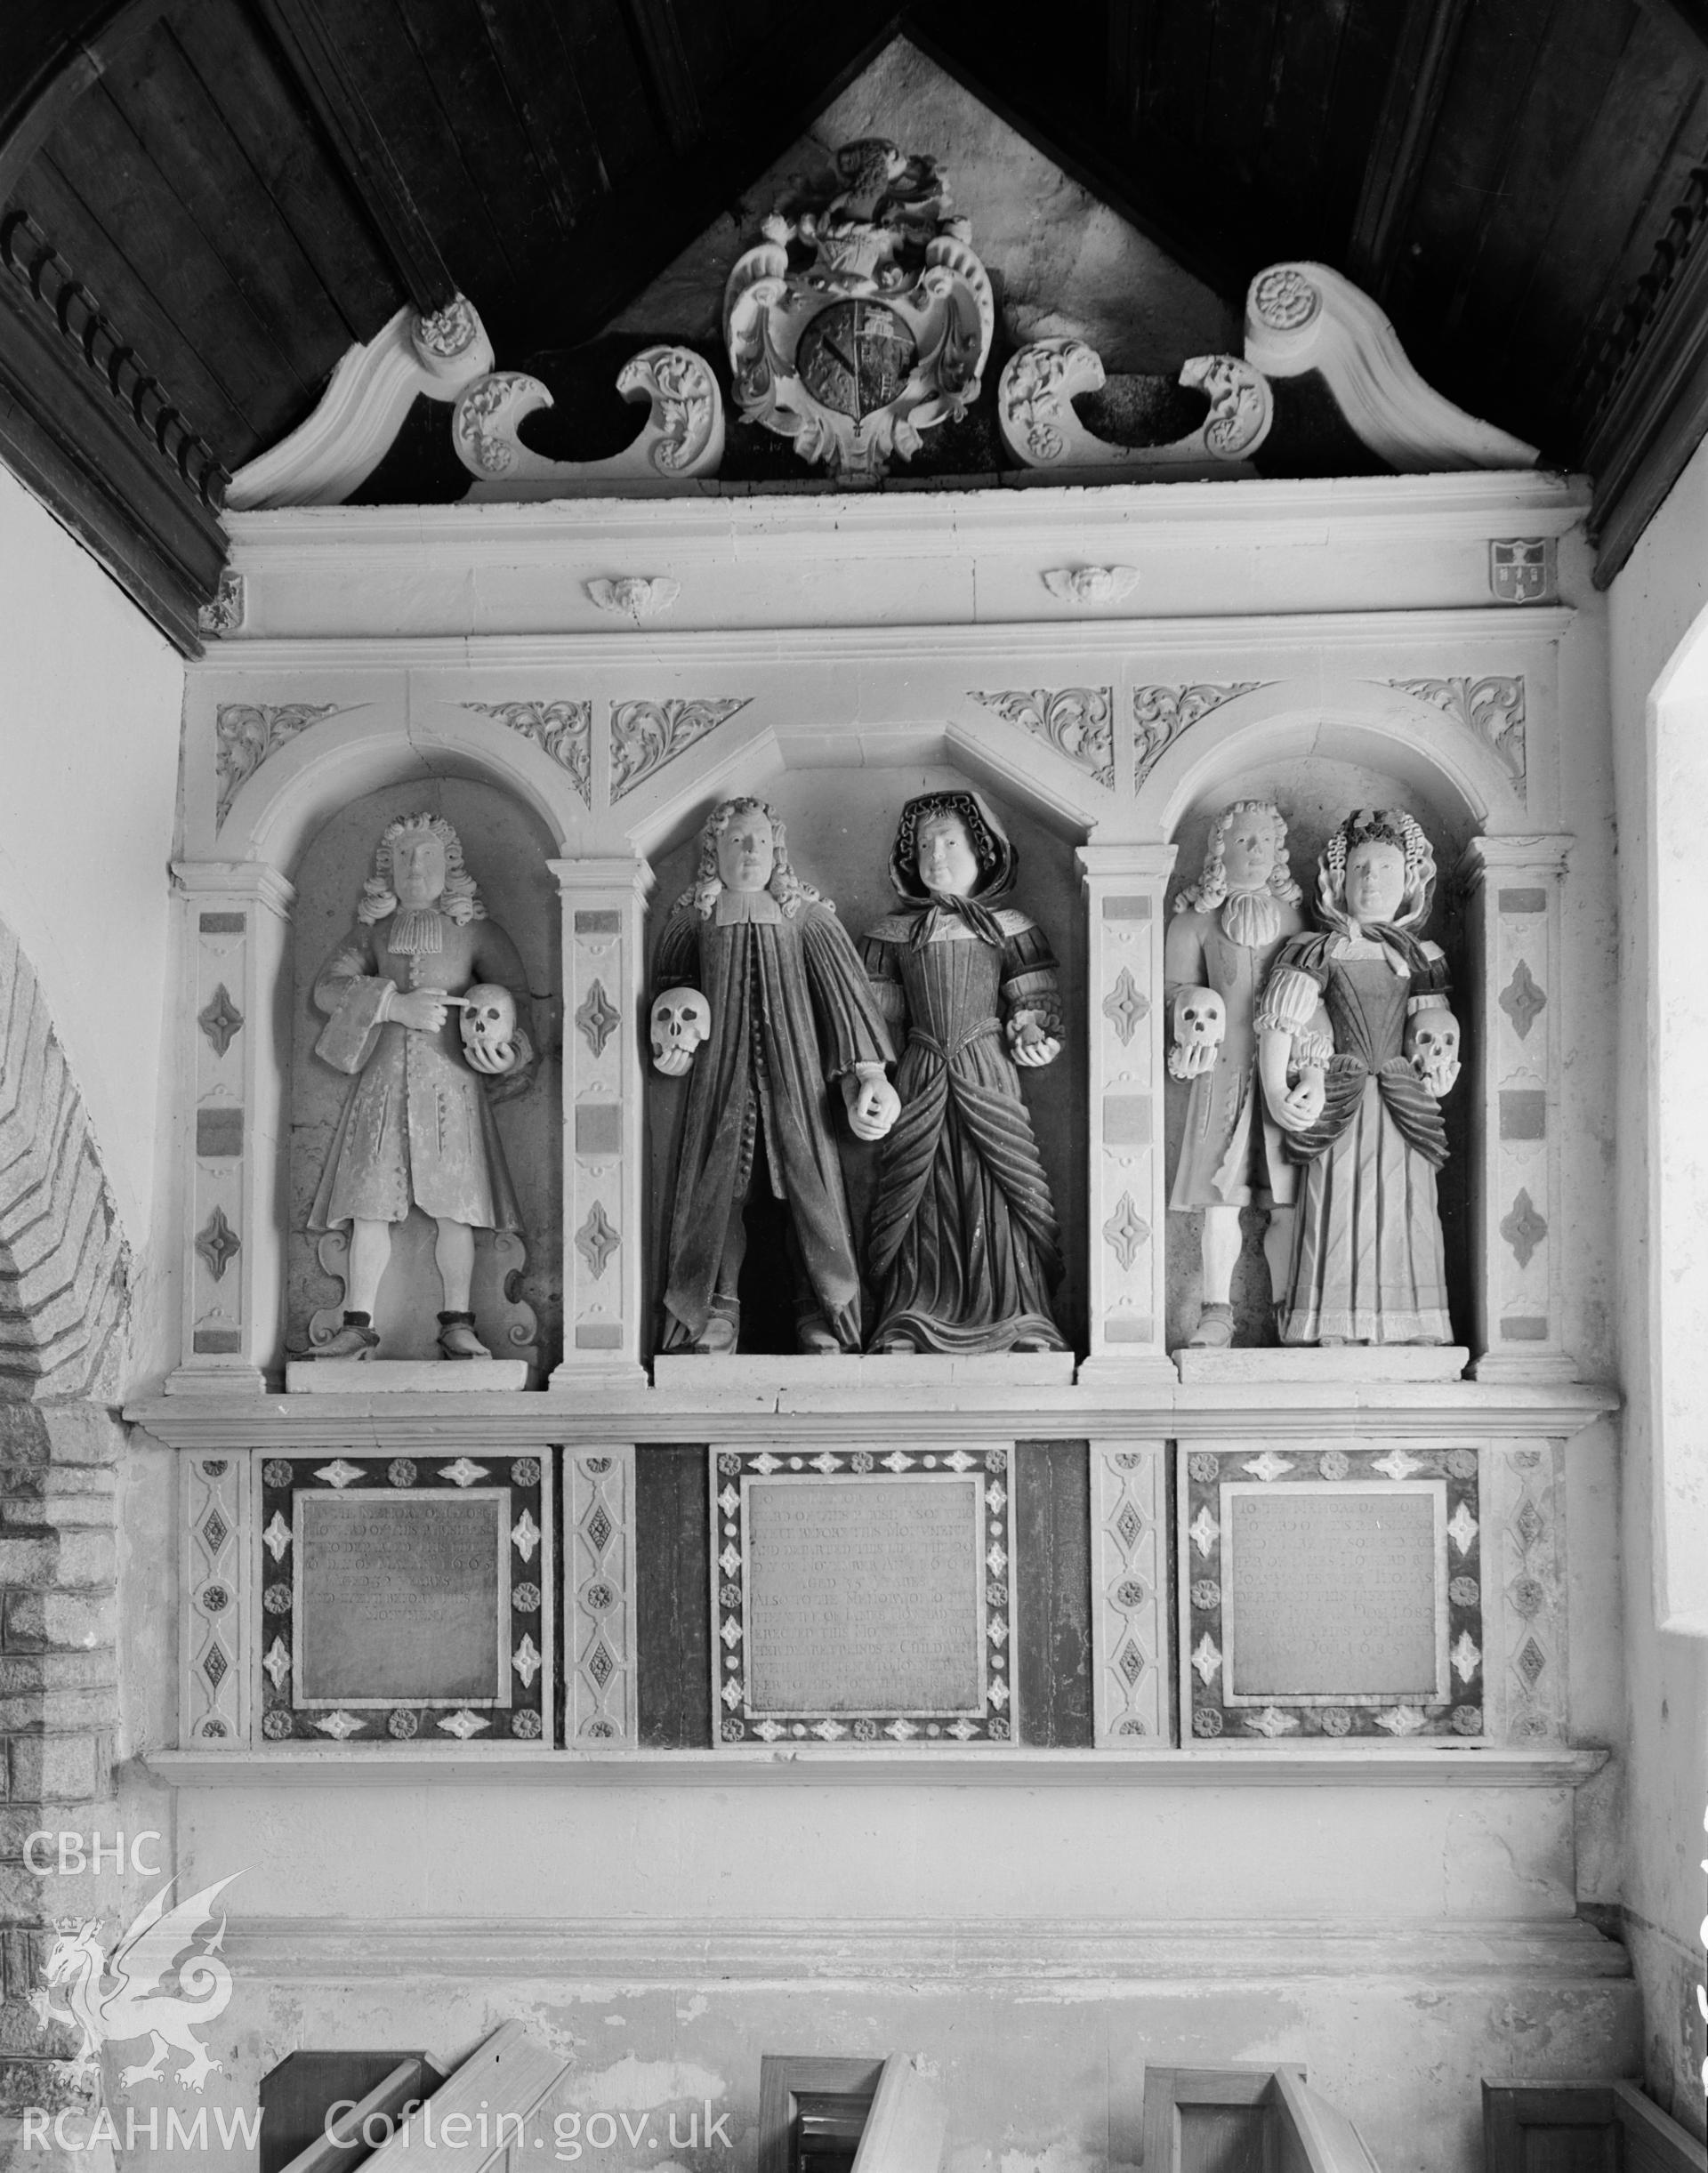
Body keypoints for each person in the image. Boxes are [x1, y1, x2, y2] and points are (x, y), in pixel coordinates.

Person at [650, 797, 898, 1355]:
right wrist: (674, 1044)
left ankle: (821, 1310)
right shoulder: (695, 917)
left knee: (805, 1191)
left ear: (778, 848)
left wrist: (869, 1074)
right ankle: (716, 1309)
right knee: (720, 1194)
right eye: (737, 840)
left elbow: (846, 998)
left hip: (798, 1078)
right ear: (714, 850)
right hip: (719, 1082)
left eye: (760, 840)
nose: (750, 850)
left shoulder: (805, 917)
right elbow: (671, 990)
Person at [306, 812, 532, 1360]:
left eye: (426, 855)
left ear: (450, 867)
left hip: (452, 1090)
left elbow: (520, 1005)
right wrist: (393, 1004)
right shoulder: (373, 933)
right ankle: (357, 1323)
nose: (414, 866)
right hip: (381, 1088)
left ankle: (458, 1321)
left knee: (456, 1207)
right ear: (387, 869)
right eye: (404, 856)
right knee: (368, 1205)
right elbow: (326, 990)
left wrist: (509, 1054)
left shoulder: (476, 932)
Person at [860, 792, 1067, 1353]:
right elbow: (873, 1021)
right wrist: (870, 1075)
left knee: (1000, 1182)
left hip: (988, 1068)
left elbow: (1036, 1000)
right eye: (925, 844)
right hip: (920, 1072)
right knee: (919, 1187)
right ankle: (910, 1315)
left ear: (985, 851)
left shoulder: (1010, 926)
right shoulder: (891, 934)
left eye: (950, 841)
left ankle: (1020, 1315)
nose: (936, 855)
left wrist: (1033, 1035)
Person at [1255, 808, 1462, 1345]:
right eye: (1361, 869)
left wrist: (1438, 1072)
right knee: (1336, 1206)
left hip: (1401, 1098)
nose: (1372, 881)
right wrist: (1278, 1087)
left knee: (1409, 1205)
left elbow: (1432, 1027)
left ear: (1410, 880)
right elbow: (1284, 1018)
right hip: (1339, 1094)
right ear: (1339, 879)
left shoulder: (1422, 957)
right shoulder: (1316, 949)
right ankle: (1334, 1325)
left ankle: (1412, 1324)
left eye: (1386, 869)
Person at [1164, 801, 1304, 1347]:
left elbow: (1314, 995)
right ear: (1219, 850)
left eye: (1265, 842)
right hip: (1219, 1075)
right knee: (1220, 1198)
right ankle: (1217, 1313)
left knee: (1285, 1198)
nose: (1255, 852)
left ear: (1278, 853)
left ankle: (1289, 1314)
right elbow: (1174, 992)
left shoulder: (1296, 923)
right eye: (1243, 841)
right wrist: (1191, 1007)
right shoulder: (1193, 922)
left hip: (1283, 1075)